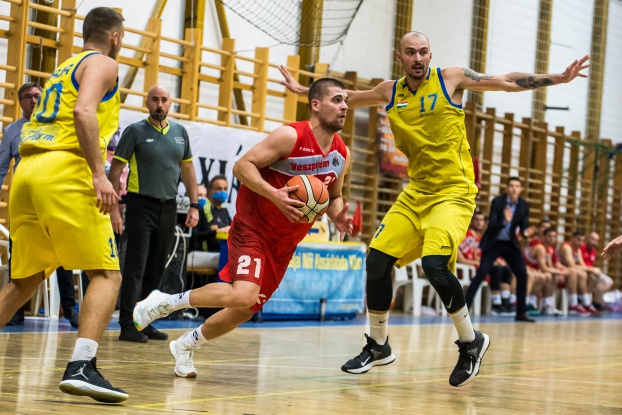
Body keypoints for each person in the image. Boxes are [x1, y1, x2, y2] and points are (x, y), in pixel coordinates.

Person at [280, 31, 589, 386]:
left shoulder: (451, 79)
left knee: (434, 265)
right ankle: (378, 345)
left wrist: (557, 78)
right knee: (376, 261)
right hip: (417, 193)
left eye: (423, 52)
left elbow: (505, 81)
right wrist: (304, 92)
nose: (417, 58)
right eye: (410, 52)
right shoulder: (389, 91)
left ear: (430, 55)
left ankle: (471, 342)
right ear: (400, 57)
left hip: (454, 193)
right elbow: (344, 97)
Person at [132, 77, 353, 378]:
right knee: (244, 294)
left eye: (346, 101)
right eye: (337, 100)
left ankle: (185, 345)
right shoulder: (290, 136)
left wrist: (337, 215)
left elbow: (335, 196)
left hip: (284, 243)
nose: (344, 106)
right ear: (316, 104)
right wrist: (274, 194)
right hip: (254, 227)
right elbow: (242, 166)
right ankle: (166, 301)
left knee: (244, 310)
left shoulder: (342, 154)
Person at [0, 7, 127, 402]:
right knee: (106, 275)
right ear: (115, 37)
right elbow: (83, 111)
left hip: (27, 173)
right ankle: (82, 365)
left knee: (24, 282)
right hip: (65, 171)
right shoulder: (103, 63)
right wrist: (98, 174)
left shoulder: (63, 68)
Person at [108, 84, 199, 343]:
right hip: (140, 205)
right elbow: (115, 172)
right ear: (147, 103)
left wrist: (194, 204)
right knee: (135, 266)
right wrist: (114, 209)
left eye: (164, 100)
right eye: (155, 100)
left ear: (170, 104)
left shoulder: (180, 133)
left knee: (157, 267)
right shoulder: (135, 131)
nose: (160, 105)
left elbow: (188, 170)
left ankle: (145, 322)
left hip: (168, 207)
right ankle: (128, 325)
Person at [466, 177, 536, 322]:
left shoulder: (524, 205)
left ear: (520, 189)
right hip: (494, 242)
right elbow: (492, 224)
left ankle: (521, 313)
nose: (514, 189)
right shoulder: (498, 202)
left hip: (510, 243)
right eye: (511, 186)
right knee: (482, 273)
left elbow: (524, 226)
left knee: (522, 274)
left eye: (517, 186)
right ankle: (464, 310)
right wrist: (504, 221)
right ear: (507, 188)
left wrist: (526, 233)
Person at [457, 210, 513, 316]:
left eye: (481, 220)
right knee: (496, 269)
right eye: (476, 220)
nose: (479, 222)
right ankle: (496, 305)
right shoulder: (466, 235)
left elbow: (478, 255)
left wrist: (495, 261)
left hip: (479, 267)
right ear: (471, 221)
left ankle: (505, 303)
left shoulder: (480, 237)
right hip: (468, 270)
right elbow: (463, 259)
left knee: (505, 269)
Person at [558, 230, 599, 316]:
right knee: (575, 272)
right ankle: (573, 305)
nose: (580, 242)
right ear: (572, 238)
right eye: (578, 239)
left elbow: (582, 265)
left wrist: (590, 270)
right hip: (560, 270)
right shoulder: (567, 247)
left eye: (582, 240)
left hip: (569, 271)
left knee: (587, 274)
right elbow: (571, 265)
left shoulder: (578, 249)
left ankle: (586, 303)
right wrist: (592, 269)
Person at [190, 176, 232, 253]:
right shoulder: (202, 208)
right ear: (209, 191)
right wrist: (217, 231)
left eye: (225, 189)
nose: (222, 191)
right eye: (219, 188)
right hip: (205, 254)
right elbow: (193, 235)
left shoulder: (224, 210)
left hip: (223, 252)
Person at [581, 232, 614, 311]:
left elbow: (590, 265)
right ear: (587, 238)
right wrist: (592, 270)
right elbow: (580, 264)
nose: (594, 242)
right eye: (593, 239)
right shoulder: (581, 248)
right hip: (586, 271)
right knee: (592, 277)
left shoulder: (593, 250)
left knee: (609, 282)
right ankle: (594, 303)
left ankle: (596, 302)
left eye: (596, 240)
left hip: (590, 271)